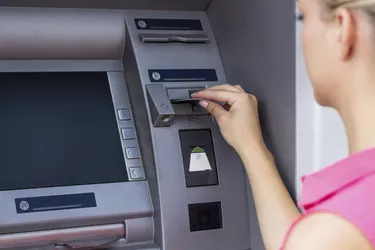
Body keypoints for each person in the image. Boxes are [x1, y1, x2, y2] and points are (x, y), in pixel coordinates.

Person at [192, 0, 375, 249]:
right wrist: (251, 146)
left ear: (344, 29)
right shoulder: (346, 222)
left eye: (303, 19)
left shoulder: (341, 229)